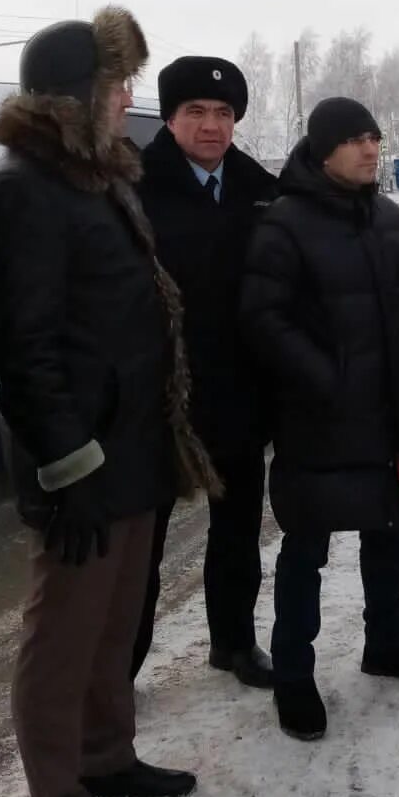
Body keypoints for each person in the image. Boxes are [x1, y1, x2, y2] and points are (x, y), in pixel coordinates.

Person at [0, 9, 220, 797]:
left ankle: (107, 758)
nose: (127, 97)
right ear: (80, 94)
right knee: (63, 639)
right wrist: (67, 466)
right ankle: (57, 796)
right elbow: (19, 348)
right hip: (81, 462)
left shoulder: (102, 177)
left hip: (135, 446)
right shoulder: (22, 189)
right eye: (117, 84)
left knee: (116, 626)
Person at [241, 97, 399, 741]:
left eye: (374, 139)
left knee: (389, 531)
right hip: (320, 419)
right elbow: (262, 318)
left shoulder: (386, 216)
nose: (370, 150)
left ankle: (386, 642)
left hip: (389, 411)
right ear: (324, 148)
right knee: (307, 548)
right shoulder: (286, 223)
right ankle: (295, 677)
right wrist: (326, 378)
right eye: (356, 140)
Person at [131, 56, 279, 688]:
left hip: (239, 390)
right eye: (196, 112)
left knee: (239, 529)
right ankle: (121, 667)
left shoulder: (259, 188)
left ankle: (234, 642)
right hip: (160, 394)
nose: (212, 125)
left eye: (223, 113)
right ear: (170, 118)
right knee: (145, 545)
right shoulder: (135, 187)